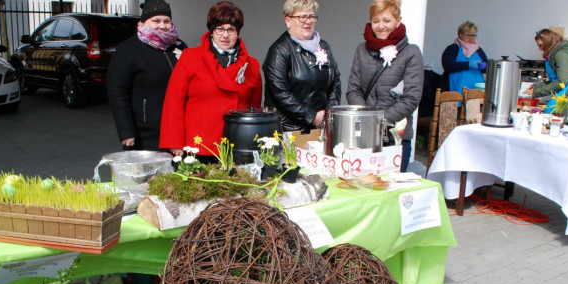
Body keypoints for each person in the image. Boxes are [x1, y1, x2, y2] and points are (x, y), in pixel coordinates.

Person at [160, 1, 262, 157]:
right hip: (198, 145)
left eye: (231, 30)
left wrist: (253, 142)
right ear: (211, 31)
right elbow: (173, 103)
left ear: (238, 32)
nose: (225, 35)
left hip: (236, 145)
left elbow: (253, 109)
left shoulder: (252, 65)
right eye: (220, 29)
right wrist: (175, 143)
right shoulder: (190, 58)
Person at [346, 0, 422, 172]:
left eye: (387, 21)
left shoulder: (411, 53)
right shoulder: (362, 50)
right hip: (364, 136)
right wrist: (368, 119)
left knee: (391, 191)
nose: (381, 26)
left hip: (396, 136)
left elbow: (412, 97)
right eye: (376, 21)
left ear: (398, 21)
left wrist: (380, 121)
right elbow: (353, 89)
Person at [106, 0, 187, 151]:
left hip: (175, 130)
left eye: (166, 21)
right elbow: (117, 91)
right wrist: (126, 130)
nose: (162, 25)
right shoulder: (128, 49)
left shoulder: (179, 47)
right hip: (144, 134)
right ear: (143, 22)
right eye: (156, 21)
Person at [263, 0, 341, 132]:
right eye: (302, 17)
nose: (308, 21)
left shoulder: (324, 47)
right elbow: (280, 92)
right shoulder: (279, 50)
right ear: (288, 21)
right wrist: (311, 116)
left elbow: (335, 82)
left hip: (321, 127)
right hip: (289, 130)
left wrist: (327, 114)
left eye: (311, 16)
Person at [527, 29, 568, 103]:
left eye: (540, 45)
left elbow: (562, 81)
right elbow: (555, 81)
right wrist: (536, 87)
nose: (539, 48)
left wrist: (538, 92)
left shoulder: (561, 55)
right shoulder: (554, 55)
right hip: (563, 95)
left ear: (548, 42)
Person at [441, 21, 487, 93]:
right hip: (456, 90)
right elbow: (448, 66)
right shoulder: (452, 49)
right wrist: (468, 64)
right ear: (460, 34)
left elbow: (487, 69)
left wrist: (485, 66)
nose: (472, 38)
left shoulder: (478, 50)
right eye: (468, 35)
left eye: (474, 35)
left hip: (476, 92)